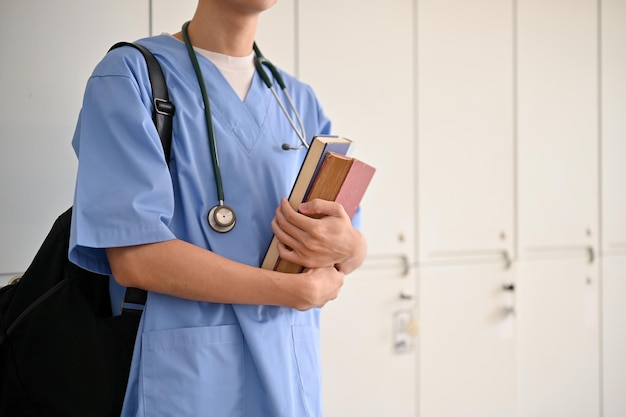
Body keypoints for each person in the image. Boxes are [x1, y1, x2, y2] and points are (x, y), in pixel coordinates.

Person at [68, 0, 367, 416]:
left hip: (290, 372)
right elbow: (135, 258)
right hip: (189, 377)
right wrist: (292, 291)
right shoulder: (129, 75)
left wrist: (352, 248)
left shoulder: (297, 101)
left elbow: (343, 245)